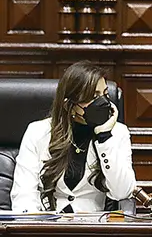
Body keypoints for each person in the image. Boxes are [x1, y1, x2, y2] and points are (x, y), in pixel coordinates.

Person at [11, 62, 136, 213]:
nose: (102, 103)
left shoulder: (117, 133)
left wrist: (104, 137)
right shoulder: (38, 132)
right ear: (69, 104)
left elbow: (123, 192)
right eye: (93, 97)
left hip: (95, 228)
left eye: (105, 94)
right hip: (47, 225)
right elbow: (24, 194)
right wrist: (34, 230)